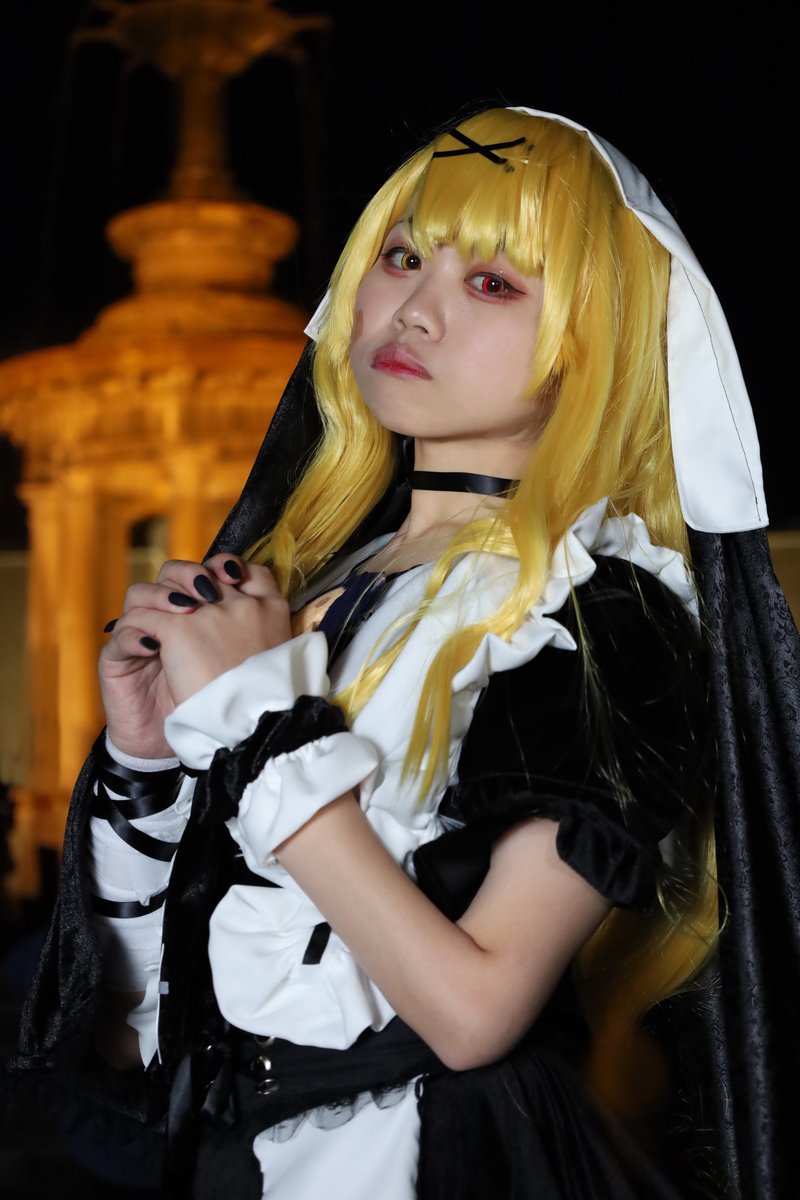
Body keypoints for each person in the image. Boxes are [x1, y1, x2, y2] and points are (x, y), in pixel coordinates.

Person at [7, 106, 798, 1200]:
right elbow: (147, 1032)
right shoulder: (304, 590)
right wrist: (146, 761)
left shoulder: (601, 614)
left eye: (493, 283)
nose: (414, 309)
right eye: (401, 256)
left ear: (594, 340)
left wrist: (257, 721)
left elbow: (473, 1014)